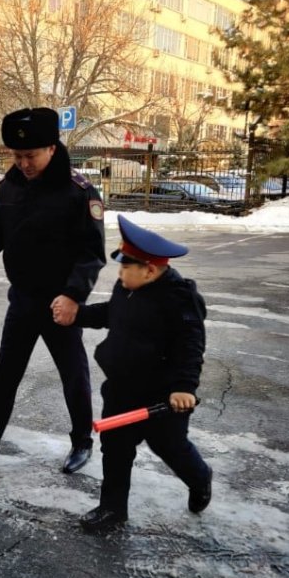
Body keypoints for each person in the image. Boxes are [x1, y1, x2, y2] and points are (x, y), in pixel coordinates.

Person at [0, 107, 106, 473]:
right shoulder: (10, 186)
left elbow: (91, 253)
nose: (24, 163)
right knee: (6, 374)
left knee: (72, 374)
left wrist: (73, 296)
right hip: (23, 298)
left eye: (30, 156)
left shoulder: (78, 192)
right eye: (17, 156)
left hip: (60, 302)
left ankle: (82, 442)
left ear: (51, 147)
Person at [53, 214, 212, 531]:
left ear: (150, 271)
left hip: (163, 396)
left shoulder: (179, 298)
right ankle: (112, 510)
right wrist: (78, 315)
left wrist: (184, 387)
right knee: (115, 449)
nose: (120, 273)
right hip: (123, 388)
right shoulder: (127, 287)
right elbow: (112, 314)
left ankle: (199, 477)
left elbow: (191, 346)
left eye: (126, 267)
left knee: (170, 447)